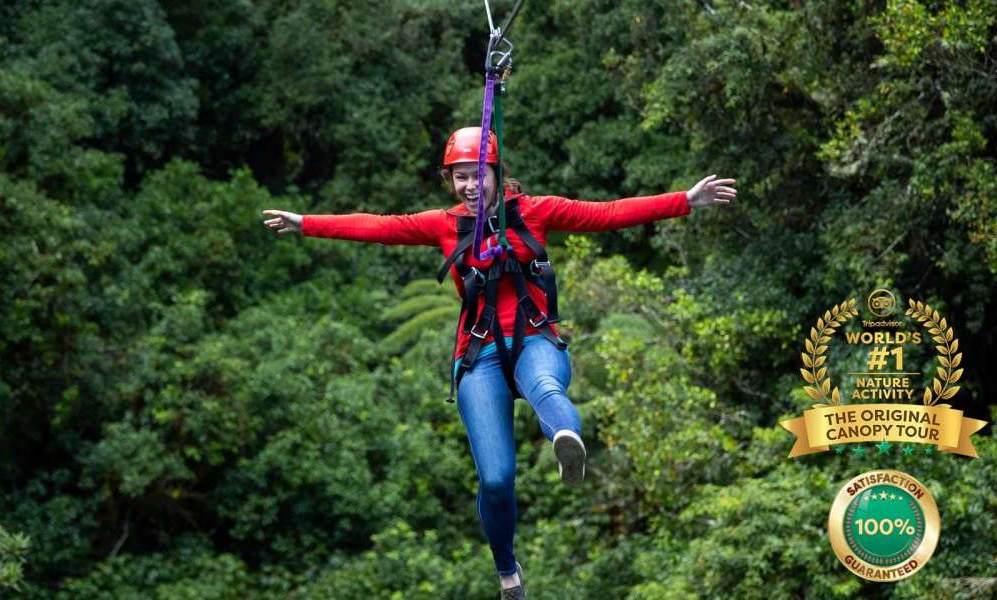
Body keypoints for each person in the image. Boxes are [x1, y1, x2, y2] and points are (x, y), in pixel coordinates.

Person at [263, 127, 735, 599]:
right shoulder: (442, 224)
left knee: (547, 388)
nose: (469, 186)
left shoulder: (534, 211)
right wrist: (306, 222)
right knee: (495, 478)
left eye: (478, 176)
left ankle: (566, 442)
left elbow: (607, 214)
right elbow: (377, 226)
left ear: (496, 174)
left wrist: (685, 201)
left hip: (535, 339)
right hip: (479, 354)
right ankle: (508, 572)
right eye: (460, 177)